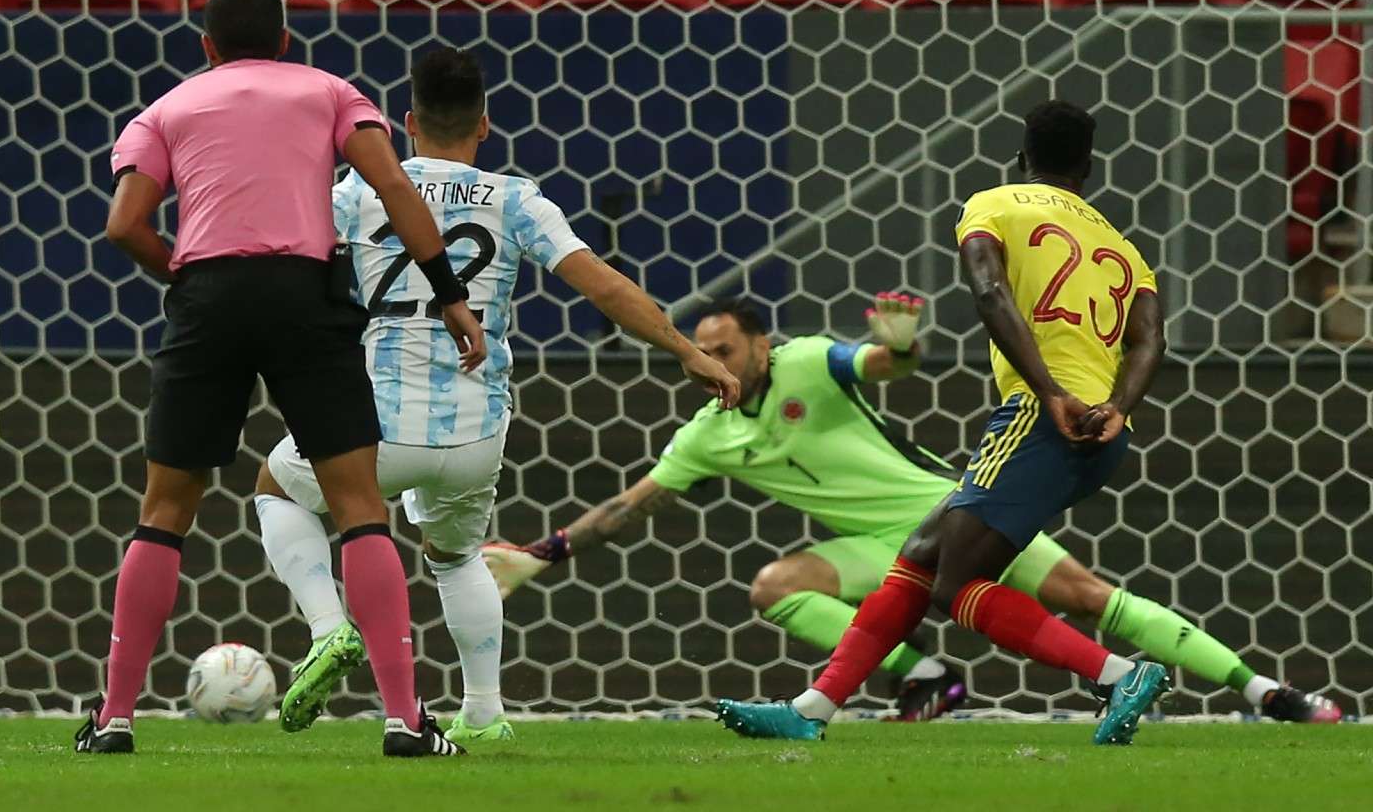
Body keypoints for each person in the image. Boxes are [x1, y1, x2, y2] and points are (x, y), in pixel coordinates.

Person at [487, 296, 1341, 724]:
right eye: (698, 356)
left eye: (724, 349)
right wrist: (543, 551)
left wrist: (899, 342)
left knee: (1082, 592)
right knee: (775, 585)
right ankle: (924, 675)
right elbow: (628, 507)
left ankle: (1264, 690)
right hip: (869, 545)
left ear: (759, 344)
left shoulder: (809, 363)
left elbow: (884, 366)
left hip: (949, 512)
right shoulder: (707, 434)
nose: (711, 363)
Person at [255, 48, 739, 744]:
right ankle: (484, 711)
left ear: (407, 123)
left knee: (275, 484)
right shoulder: (515, 197)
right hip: (475, 430)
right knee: (455, 556)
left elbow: (286, 263)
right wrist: (688, 351)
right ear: (484, 126)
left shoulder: (358, 193)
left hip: (373, 426)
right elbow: (600, 284)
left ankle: (329, 627)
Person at [79, 0, 488, 759]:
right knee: (359, 506)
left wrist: (187, 280)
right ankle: (405, 723)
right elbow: (393, 183)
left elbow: (123, 224)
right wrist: (450, 296)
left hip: (208, 300)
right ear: (285, 42)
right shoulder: (329, 91)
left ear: (206, 48)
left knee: (164, 510)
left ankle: (113, 720)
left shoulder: (166, 109)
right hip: (305, 297)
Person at [716, 100, 1183, 747]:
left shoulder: (995, 204)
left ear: (1022, 159)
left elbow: (990, 292)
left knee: (953, 583)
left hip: (1039, 416)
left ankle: (1117, 673)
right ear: (1090, 168)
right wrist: (1119, 409)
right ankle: (812, 710)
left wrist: (1047, 392)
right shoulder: (1125, 251)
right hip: (1103, 430)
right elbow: (1150, 341)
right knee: (920, 557)